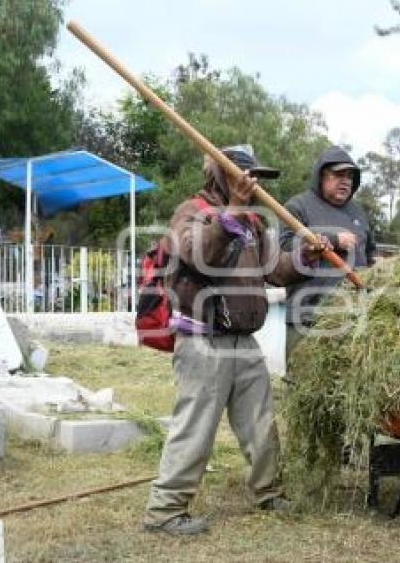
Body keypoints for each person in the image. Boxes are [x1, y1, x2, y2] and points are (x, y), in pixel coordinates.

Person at [143, 145, 329, 536]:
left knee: (261, 424)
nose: (253, 183)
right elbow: (199, 255)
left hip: (244, 342)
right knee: (195, 426)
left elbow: (274, 271)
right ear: (221, 175)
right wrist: (234, 212)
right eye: (244, 176)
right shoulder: (191, 212)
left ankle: (269, 492)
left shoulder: (255, 224)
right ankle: (164, 512)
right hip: (202, 338)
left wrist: (307, 258)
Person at [280, 145, 375, 365]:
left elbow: (371, 255)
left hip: (351, 320)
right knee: (302, 388)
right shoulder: (298, 206)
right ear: (321, 176)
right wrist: (332, 240)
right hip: (308, 318)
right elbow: (285, 246)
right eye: (338, 174)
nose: (345, 181)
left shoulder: (358, 212)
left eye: (350, 176)